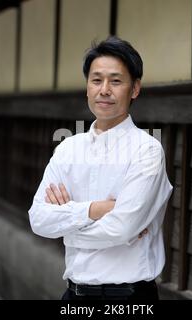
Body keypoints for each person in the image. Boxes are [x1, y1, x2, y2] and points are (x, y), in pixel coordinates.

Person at [28, 36, 173, 300]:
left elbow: (121, 229)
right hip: (74, 295)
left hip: (128, 298)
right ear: (87, 87)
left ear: (135, 89)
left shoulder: (147, 151)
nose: (104, 89)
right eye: (96, 80)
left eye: (115, 81)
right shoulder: (67, 149)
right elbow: (38, 219)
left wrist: (66, 228)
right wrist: (98, 209)